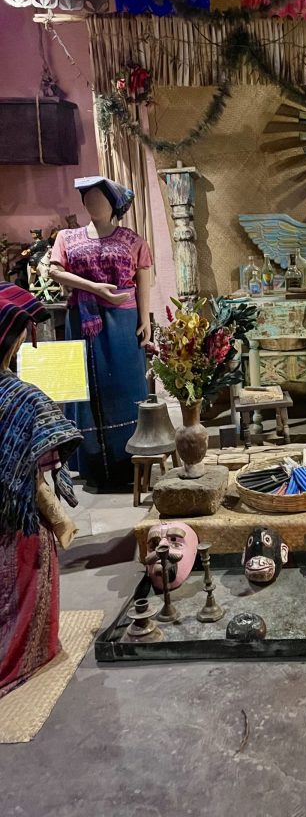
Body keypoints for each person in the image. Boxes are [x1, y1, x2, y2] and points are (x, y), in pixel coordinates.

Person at [0, 283, 81, 697]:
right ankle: (25, 652)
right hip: (12, 529)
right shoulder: (21, 398)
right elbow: (34, 473)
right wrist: (60, 516)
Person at [49, 177, 153, 491]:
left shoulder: (131, 239)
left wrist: (145, 319)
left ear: (113, 204)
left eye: (100, 198)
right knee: (85, 390)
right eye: (88, 198)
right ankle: (91, 465)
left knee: (124, 387)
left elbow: (143, 275)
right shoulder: (67, 237)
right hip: (81, 319)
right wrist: (93, 287)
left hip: (123, 322)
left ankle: (131, 462)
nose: (93, 204)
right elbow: (55, 271)